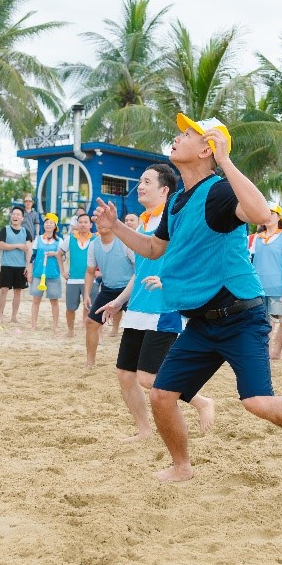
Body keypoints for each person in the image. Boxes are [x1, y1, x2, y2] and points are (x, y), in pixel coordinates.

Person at [93, 114, 282, 483]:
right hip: (201, 322)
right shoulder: (177, 200)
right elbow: (152, 248)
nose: (177, 137)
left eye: (187, 134)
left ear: (206, 149)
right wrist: (116, 226)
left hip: (241, 317)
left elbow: (262, 214)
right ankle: (182, 466)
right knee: (162, 395)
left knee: (256, 402)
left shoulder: (220, 191)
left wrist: (226, 160)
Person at [97, 163, 215, 442]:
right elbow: (140, 273)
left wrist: (170, 281)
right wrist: (118, 301)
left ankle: (202, 401)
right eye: (140, 181)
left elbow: (194, 259)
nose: (140, 186)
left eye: (147, 182)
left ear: (164, 190)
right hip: (138, 308)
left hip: (164, 309)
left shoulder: (174, 219)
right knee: (125, 374)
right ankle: (144, 431)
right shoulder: (143, 223)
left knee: (147, 377)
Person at [251, 204, 282, 375]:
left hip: (279, 290)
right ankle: (263, 365)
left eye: (272, 213)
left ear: (278, 217)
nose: (269, 216)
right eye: (266, 213)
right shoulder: (257, 238)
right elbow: (251, 264)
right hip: (259, 290)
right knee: (262, 329)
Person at [85, 217, 135, 366]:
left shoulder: (125, 242)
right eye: (98, 222)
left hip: (129, 290)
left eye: (104, 221)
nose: (102, 224)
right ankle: (90, 362)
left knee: (135, 327)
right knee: (91, 323)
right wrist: (86, 294)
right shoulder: (94, 245)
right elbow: (90, 272)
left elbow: (139, 268)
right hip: (107, 289)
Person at [29, 213, 66, 335]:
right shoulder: (38, 239)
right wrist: (29, 271)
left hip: (53, 274)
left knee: (54, 301)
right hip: (38, 273)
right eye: (46, 222)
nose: (48, 225)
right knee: (36, 299)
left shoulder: (59, 241)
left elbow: (63, 257)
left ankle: (55, 326)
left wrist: (55, 254)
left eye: (51, 223)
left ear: (55, 226)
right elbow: (33, 257)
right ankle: (33, 325)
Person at [0, 206, 33, 323]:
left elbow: (28, 250)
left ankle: (14, 316)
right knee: (4, 290)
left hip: (21, 266)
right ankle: (0, 315)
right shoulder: (5, 230)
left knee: (18, 291)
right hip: (7, 265)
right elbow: (1, 245)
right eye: (13, 214)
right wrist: (17, 246)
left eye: (18, 214)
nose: (15, 216)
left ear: (22, 218)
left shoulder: (26, 232)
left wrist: (28, 266)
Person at [60, 214, 96, 334]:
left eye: (86, 222)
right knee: (70, 308)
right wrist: (63, 271)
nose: (83, 224)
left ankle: (88, 331)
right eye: (80, 222)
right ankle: (70, 331)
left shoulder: (96, 239)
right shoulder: (70, 239)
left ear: (90, 225)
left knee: (91, 308)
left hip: (91, 280)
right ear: (77, 224)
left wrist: (100, 271)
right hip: (73, 280)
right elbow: (59, 254)